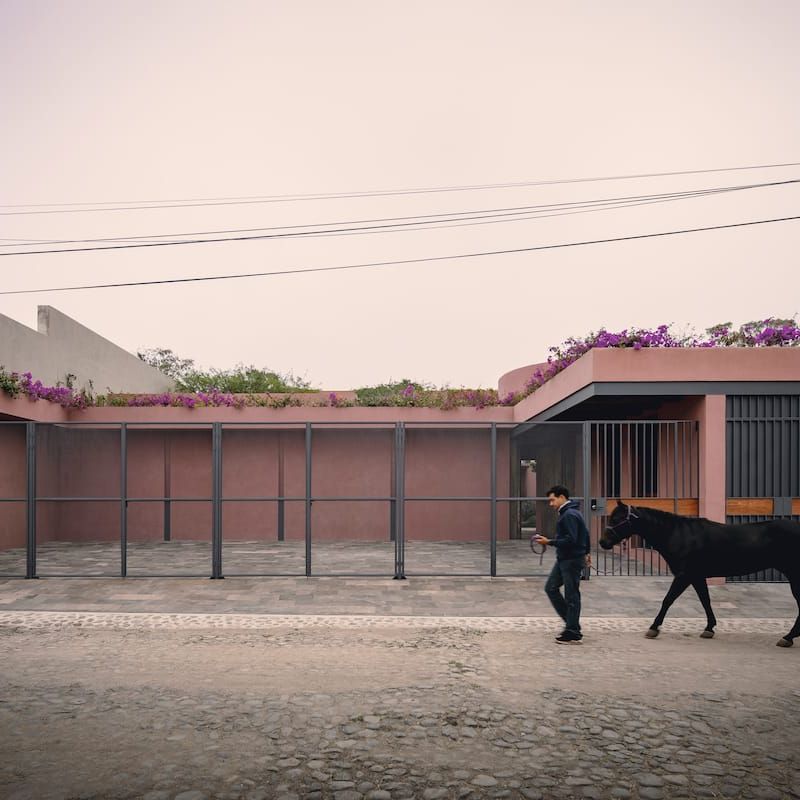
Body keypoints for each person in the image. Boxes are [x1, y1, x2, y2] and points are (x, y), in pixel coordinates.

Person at [533, 485, 591, 644]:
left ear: (562, 497)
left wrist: (549, 541)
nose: (551, 504)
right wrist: (587, 552)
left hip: (571, 560)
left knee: (572, 595)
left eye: (552, 500)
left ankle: (572, 631)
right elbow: (585, 533)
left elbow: (572, 539)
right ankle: (572, 624)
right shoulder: (571, 513)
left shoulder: (569, 515)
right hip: (565, 559)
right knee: (550, 587)